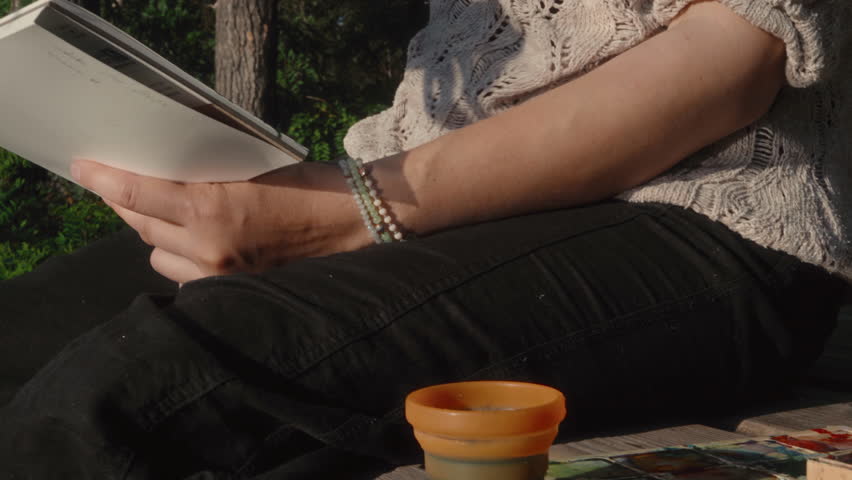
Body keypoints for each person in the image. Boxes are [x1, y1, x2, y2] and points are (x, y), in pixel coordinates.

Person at [1, 0, 850, 478]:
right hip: (417, 193)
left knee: (147, 380)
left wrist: (350, 212)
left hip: (706, 218)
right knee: (22, 334)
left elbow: (729, 63)